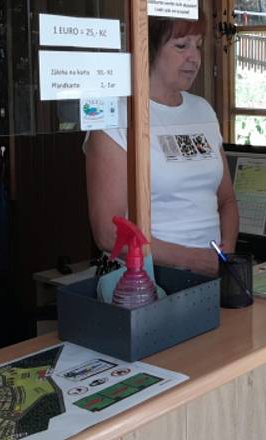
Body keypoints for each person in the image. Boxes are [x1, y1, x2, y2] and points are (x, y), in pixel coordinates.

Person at [85, 16, 238, 277]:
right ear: (150, 49)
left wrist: (226, 254)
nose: (194, 57)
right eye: (181, 46)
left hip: (212, 275)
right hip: (147, 279)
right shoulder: (117, 117)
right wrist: (191, 259)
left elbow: (226, 200)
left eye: (198, 46)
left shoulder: (202, 110)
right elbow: (108, 234)